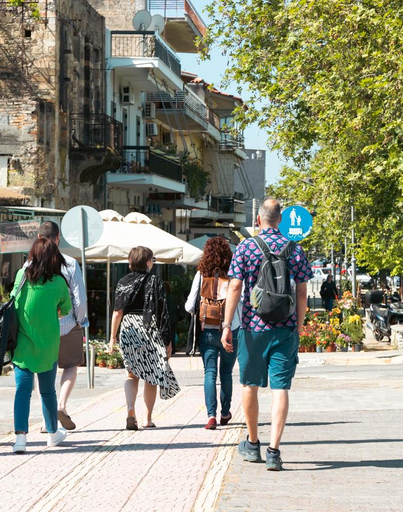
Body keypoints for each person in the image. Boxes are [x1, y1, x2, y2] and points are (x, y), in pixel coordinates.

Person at [222, 199, 311, 471]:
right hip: (285, 328)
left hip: (252, 329)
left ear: (258, 220)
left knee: (250, 385)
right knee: (280, 389)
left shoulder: (246, 247)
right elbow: (302, 292)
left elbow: (235, 286)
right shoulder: (294, 249)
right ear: (280, 220)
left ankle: (252, 443)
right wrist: (299, 325)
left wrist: (227, 324)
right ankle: (274, 451)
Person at [11, 237, 72, 454]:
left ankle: (20, 439)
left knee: (22, 391)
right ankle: (53, 434)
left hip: (22, 343)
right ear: (54, 257)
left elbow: (13, 301)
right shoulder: (58, 282)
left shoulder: (22, 277)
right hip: (48, 343)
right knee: (47, 391)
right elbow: (65, 309)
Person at [109, 246, 179, 430]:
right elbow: (163, 312)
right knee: (151, 376)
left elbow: (117, 312)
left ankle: (131, 410)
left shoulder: (123, 281)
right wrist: (168, 340)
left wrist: (112, 337)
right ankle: (148, 418)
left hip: (129, 326)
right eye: (152, 260)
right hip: (149, 326)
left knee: (131, 375)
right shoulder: (155, 281)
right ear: (148, 262)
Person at [34, 221, 88, 431]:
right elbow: (79, 297)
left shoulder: (29, 264)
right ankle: (62, 405)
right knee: (70, 366)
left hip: (38, 327)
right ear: (58, 238)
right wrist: (80, 320)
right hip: (67, 325)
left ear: (39, 237)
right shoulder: (70, 263)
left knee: (42, 371)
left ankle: (46, 415)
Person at [185, 237, 239, 430]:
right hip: (231, 329)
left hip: (206, 330)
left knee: (210, 372)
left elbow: (189, 305)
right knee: (226, 372)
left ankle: (211, 416)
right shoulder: (233, 274)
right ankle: (225, 412)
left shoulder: (201, 275)